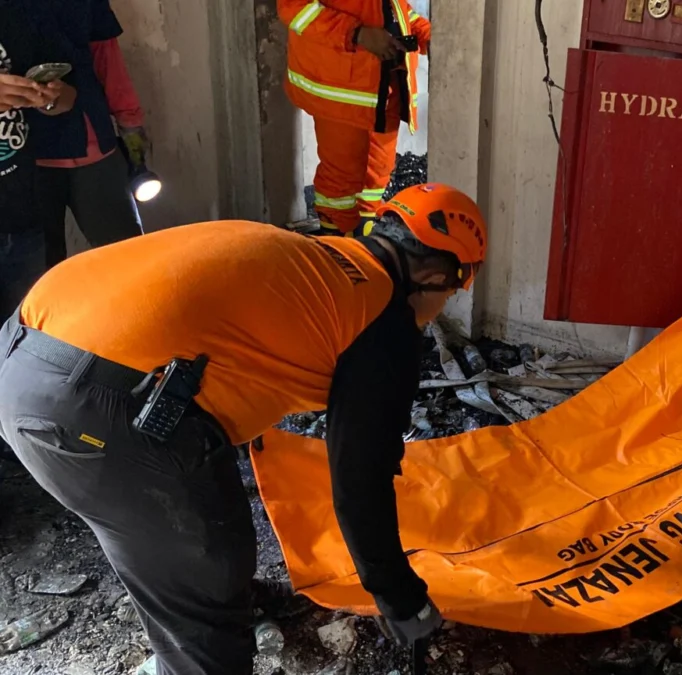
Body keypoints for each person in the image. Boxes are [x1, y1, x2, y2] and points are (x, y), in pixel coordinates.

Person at [0, 183, 486, 674]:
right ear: (433, 274)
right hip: (88, 411)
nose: (444, 302)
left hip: (21, 348)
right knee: (204, 573)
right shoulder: (383, 322)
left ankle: (220, 594)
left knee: (203, 527)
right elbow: (361, 481)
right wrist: (399, 597)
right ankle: (203, 620)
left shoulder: (316, 260)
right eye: (452, 288)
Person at [278, 0, 431, 236]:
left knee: (379, 169)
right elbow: (294, 8)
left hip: (384, 86)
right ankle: (337, 242)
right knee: (341, 176)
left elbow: (393, 8)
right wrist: (358, 34)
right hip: (340, 90)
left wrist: (422, 30)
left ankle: (366, 232)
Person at [30, 0, 147, 268]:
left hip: (91, 145)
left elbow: (108, 61)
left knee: (128, 262)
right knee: (38, 282)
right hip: (22, 158)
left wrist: (132, 133)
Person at [1, 0, 77, 317]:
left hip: (22, 215)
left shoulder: (16, 14)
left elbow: (69, 97)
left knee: (26, 342)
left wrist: (49, 99)